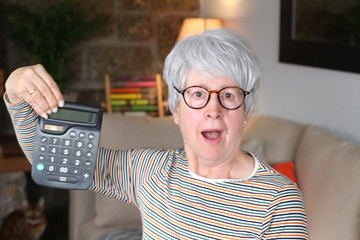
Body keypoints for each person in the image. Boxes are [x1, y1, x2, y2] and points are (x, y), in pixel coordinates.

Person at [4, 28, 309, 239]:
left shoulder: (280, 200)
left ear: (246, 111)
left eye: (229, 95)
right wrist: (15, 90)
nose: (213, 109)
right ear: (176, 110)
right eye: (197, 94)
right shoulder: (149, 171)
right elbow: (50, 158)